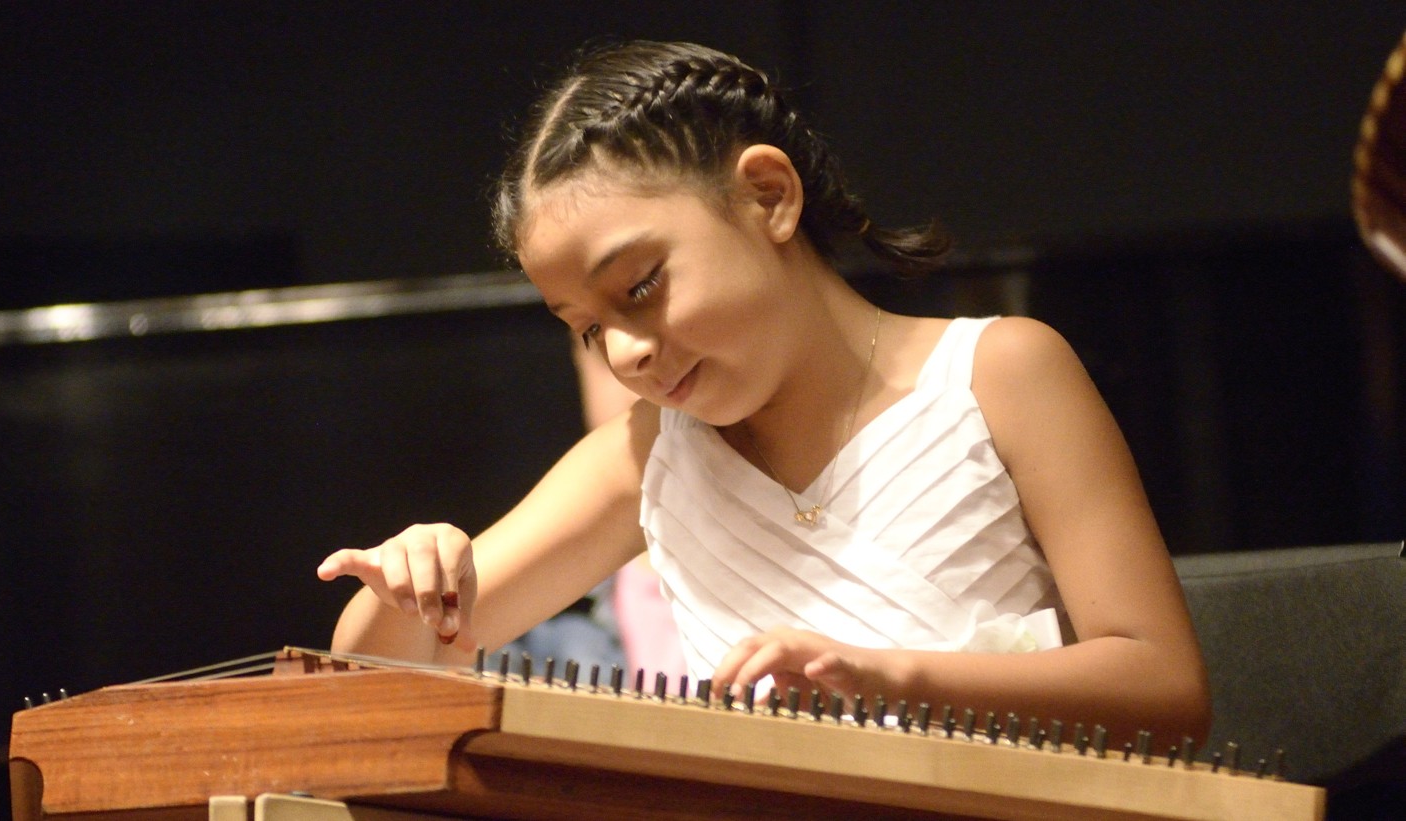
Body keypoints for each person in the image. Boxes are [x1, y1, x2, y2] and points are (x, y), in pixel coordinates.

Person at [317, 40, 1210, 748]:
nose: (623, 351)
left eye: (638, 288)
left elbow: (1163, 686)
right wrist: (412, 579)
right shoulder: (644, 458)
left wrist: (889, 678)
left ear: (768, 196)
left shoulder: (1000, 372)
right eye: (585, 328)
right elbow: (373, 669)